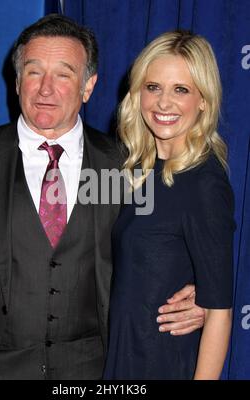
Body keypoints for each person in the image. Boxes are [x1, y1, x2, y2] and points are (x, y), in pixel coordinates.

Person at [0, 15, 204, 380]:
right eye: (35, 72)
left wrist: (199, 296)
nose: (46, 89)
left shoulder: (130, 165)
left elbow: (164, 253)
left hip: (95, 371)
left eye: (64, 75)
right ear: (18, 80)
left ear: (88, 87)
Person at [103, 30, 235, 380]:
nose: (163, 103)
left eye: (181, 90)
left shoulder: (204, 182)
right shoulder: (134, 169)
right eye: (153, 87)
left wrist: (205, 302)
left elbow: (220, 312)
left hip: (162, 362)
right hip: (121, 355)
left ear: (203, 100)